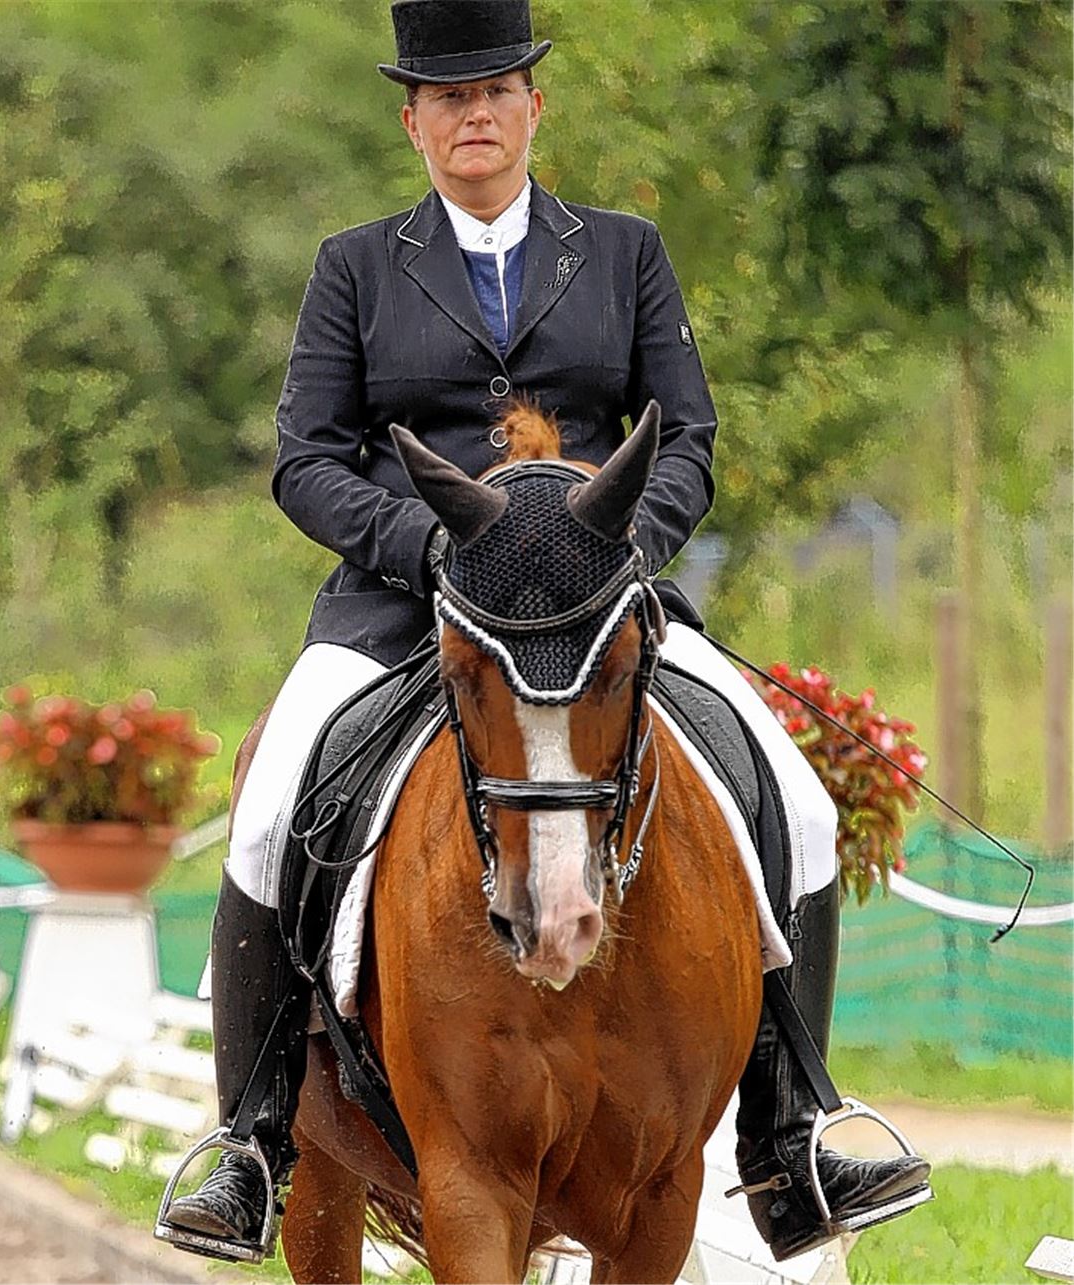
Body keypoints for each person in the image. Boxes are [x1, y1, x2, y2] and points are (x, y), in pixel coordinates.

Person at [162, 0, 930, 1265]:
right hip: (407, 598)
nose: (474, 115)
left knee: (790, 788)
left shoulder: (624, 252)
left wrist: (614, 552)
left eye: (497, 92)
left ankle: (791, 1134)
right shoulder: (356, 264)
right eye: (447, 97)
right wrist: (425, 547)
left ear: (533, 106)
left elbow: (686, 436)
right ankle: (252, 1142)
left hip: (591, 603)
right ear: (412, 120)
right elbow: (304, 460)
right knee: (266, 799)